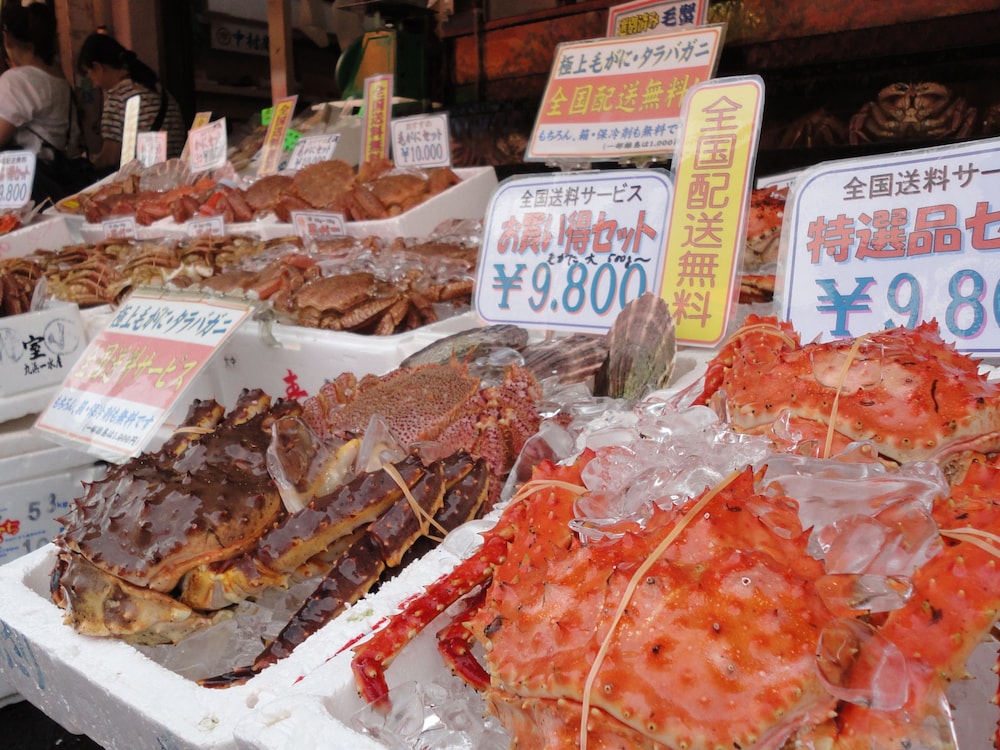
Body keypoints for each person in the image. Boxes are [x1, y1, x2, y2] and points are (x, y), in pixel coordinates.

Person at [0, 0, 88, 203]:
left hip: (29, 191)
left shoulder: (18, 80)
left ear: (7, 38)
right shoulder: (60, 81)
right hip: (61, 182)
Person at [76, 31, 186, 172]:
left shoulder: (117, 99)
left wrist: (88, 164)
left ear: (98, 67)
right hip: (177, 176)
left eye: (88, 74)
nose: (92, 82)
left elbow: (110, 158)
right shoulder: (158, 89)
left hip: (145, 185)